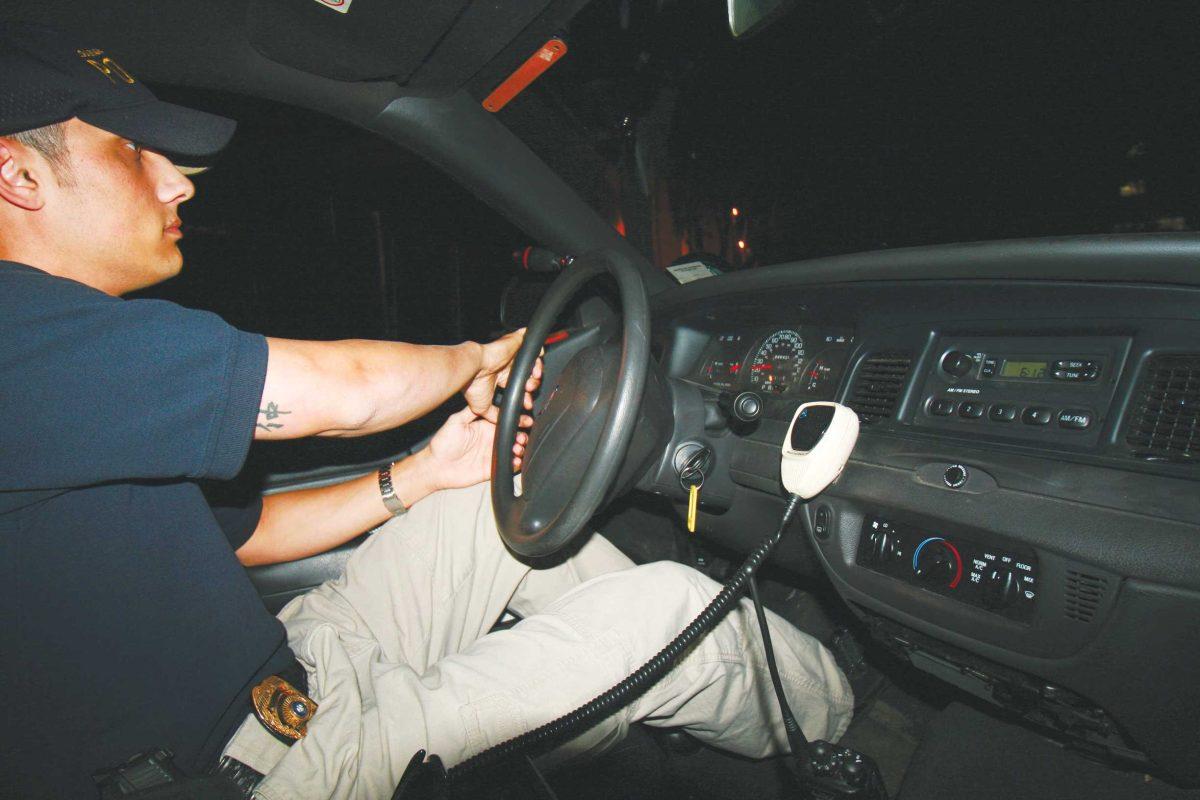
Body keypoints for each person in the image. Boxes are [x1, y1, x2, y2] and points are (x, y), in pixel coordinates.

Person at [0, 22, 853, 800]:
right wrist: (482, 359)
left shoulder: (73, 379)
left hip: (290, 673)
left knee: (485, 508)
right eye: (130, 151)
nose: (176, 183)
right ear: (18, 174)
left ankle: (684, 699)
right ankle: (850, 746)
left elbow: (245, 536)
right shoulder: (17, 332)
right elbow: (348, 390)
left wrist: (418, 476)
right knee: (668, 611)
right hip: (250, 775)